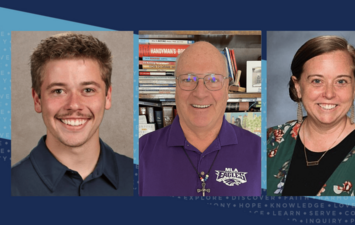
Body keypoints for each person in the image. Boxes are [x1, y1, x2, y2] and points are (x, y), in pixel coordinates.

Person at [11, 33, 133, 196]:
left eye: (88, 90)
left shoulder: (144, 179)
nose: (74, 104)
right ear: (37, 100)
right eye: (58, 91)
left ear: (108, 96)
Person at [267, 36, 355, 196]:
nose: (329, 94)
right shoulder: (268, 141)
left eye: (341, 82)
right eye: (317, 80)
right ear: (298, 86)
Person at [139, 41, 261, 196]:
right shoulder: (141, 152)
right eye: (188, 80)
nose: (200, 93)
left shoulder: (260, 152)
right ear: (175, 87)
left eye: (213, 80)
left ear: (227, 89)